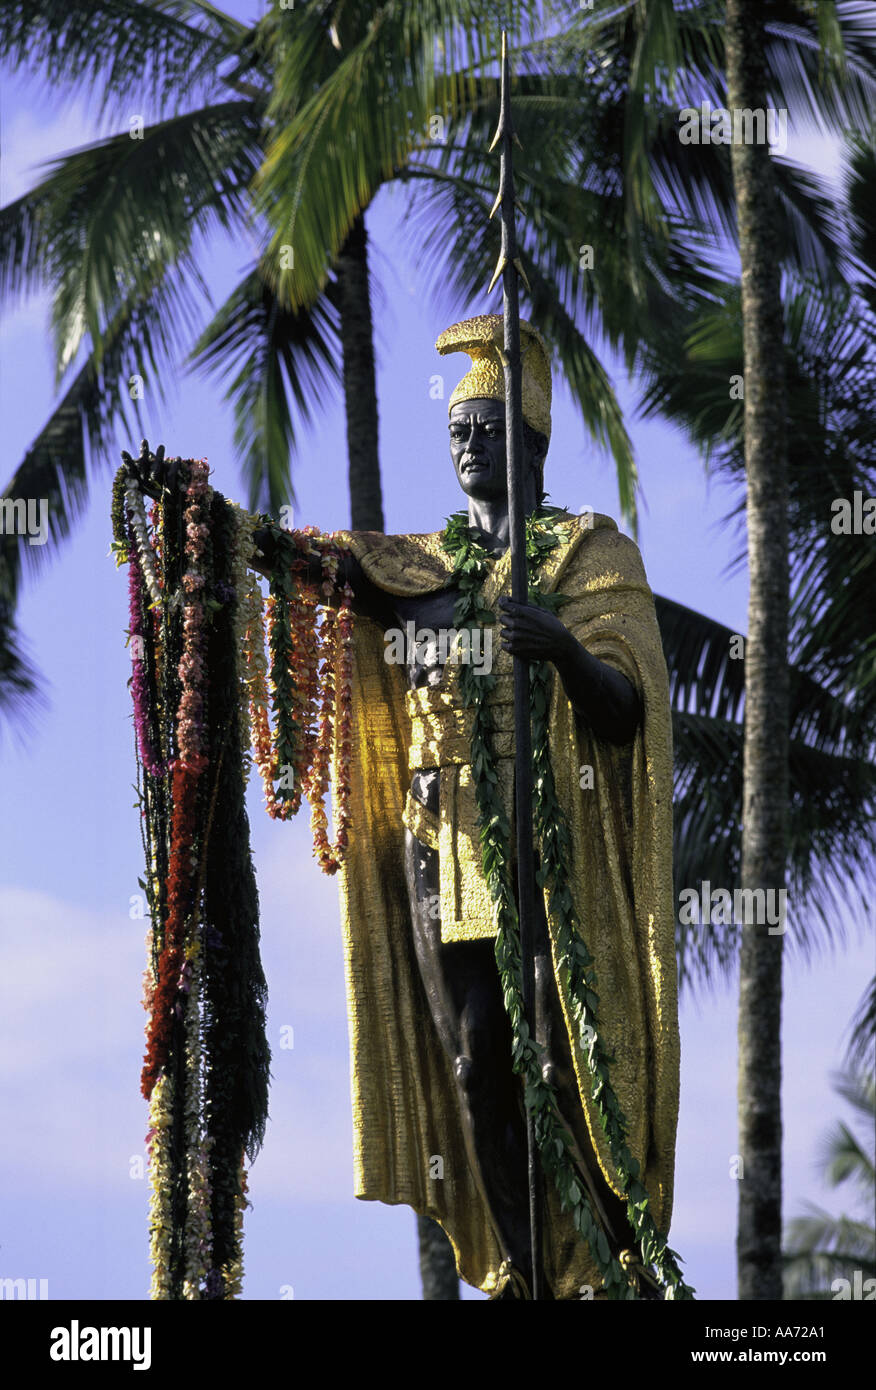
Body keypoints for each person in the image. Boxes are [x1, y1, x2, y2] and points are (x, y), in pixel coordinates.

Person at [137, 314, 679, 1300]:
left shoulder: (592, 557)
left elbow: (630, 703)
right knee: (478, 1063)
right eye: (458, 429)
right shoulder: (422, 571)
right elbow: (318, 565)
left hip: (547, 845)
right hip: (444, 845)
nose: (468, 442)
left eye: (486, 426)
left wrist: (562, 649)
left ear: (531, 441)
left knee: (562, 1062)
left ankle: (607, 1263)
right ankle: (523, 1271)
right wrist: (217, 522)